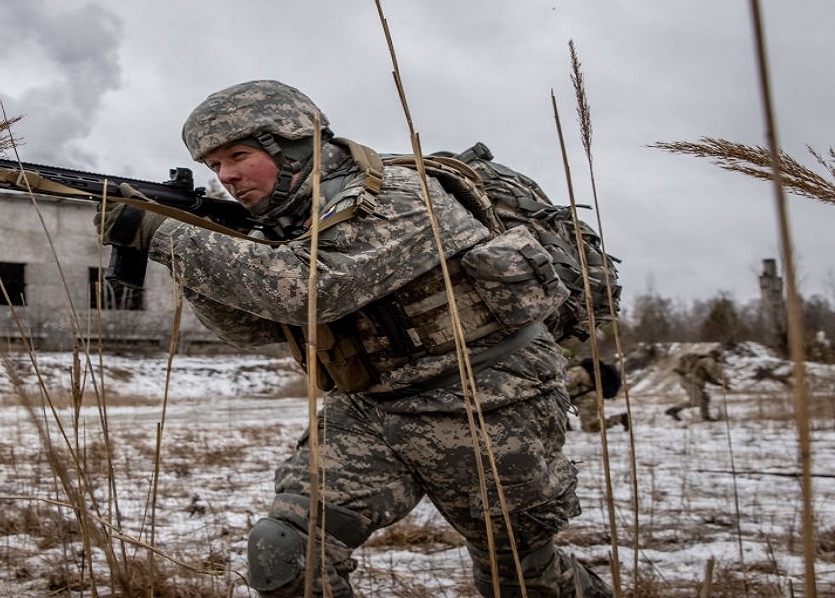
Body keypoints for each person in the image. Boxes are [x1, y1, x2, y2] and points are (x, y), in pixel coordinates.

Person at [94, 80, 611, 597]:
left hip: (486, 401)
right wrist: (192, 244)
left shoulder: (398, 196)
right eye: (214, 166)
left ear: (295, 143)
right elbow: (250, 327)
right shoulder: (287, 224)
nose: (227, 176)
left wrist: (166, 235)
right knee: (284, 550)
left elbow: (311, 290)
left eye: (238, 155)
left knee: (518, 577)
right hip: (370, 409)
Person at [564, 358, 628, 433]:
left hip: (587, 399)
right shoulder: (579, 370)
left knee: (590, 427)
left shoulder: (576, 371)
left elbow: (565, 385)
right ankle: (564, 424)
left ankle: (620, 418)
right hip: (582, 398)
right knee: (556, 403)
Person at [666, 348, 727, 422]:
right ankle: (674, 409)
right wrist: (722, 377)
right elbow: (712, 371)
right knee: (696, 401)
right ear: (716, 356)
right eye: (719, 357)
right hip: (691, 382)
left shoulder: (702, 360)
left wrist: (720, 384)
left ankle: (706, 417)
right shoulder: (708, 360)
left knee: (705, 398)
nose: (720, 359)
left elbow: (708, 377)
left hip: (692, 382)